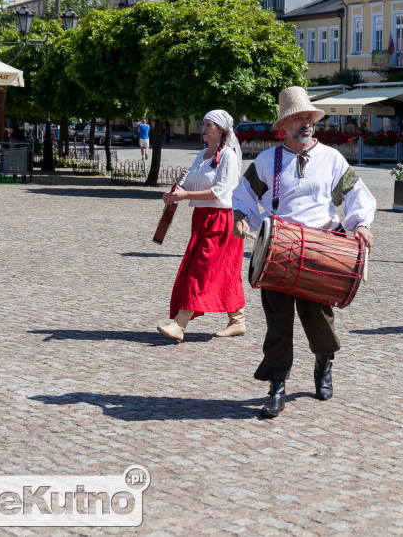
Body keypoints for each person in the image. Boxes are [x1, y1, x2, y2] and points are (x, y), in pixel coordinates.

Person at [232, 86, 376, 419]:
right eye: (299, 118)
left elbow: (356, 194)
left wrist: (361, 224)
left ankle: (324, 362)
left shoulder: (331, 158)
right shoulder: (267, 161)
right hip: (277, 250)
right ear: (285, 125)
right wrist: (241, 216)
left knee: (320, 321)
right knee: (278, 325)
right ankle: (276, 387)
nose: (306, 123)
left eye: (309, 117)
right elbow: (242, 196)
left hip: (321, 250)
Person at [157, 110, 246, 343]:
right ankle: (238, 320)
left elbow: (220, 191)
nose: (204, 128)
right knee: (224, 270)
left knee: (201, 269)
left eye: (209, 125)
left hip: (223, 220)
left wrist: (186, 195)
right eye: (203, 124)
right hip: (202, 218)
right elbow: (187, 182)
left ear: (222, 130)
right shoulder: (203, 154)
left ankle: (179, 324)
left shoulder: (228, 156)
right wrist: (174, 194)